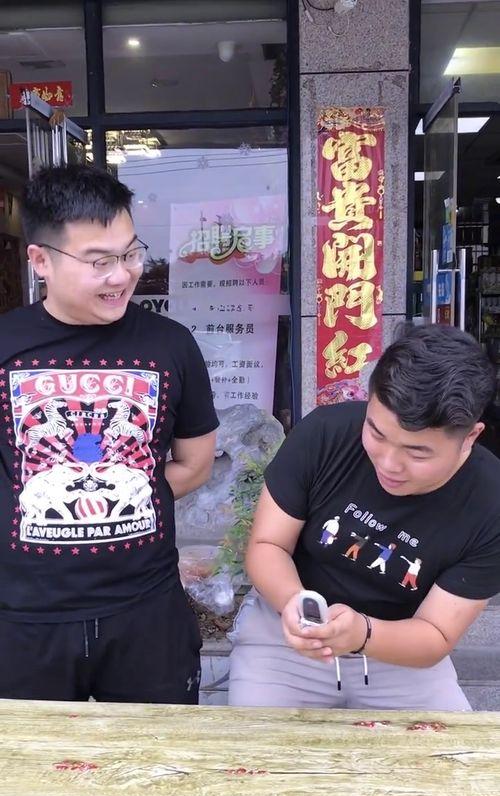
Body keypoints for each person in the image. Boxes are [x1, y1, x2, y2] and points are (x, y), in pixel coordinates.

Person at [0, 164, 219, 704]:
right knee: (35, 757)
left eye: (130, 254)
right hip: (23, 619)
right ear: (41, 261)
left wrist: (122, 495)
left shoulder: (171, 345)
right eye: (99, 262)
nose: (121, 276)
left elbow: (195, 464)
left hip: (147, 612)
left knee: (159, 750)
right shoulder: (6, 344)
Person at [229, 324, 500, 711]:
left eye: (417, 453)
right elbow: (268, 544)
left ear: (470, 437)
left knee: (449, 746)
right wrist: (295, 606)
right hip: (285, 637)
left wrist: (362, 634)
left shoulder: (490, 502)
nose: (388, 463)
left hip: (399, 649)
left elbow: (435, 633)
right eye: (376, 432)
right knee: (253, 745)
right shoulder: (324, 434)